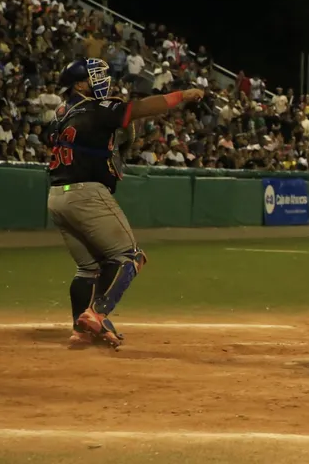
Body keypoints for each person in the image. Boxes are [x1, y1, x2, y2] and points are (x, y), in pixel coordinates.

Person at [47, 58, 203, 349]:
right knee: (129, 257)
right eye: (93, 77)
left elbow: (86, 138)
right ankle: (97, 313)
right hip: (86, 194)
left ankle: (81, 332)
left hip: (57, 196)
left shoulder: (60, 112)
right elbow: (141, 108)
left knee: (88, 269)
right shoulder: (98, 107)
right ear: (80, 84)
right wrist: (182, 95)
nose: (101, 81)